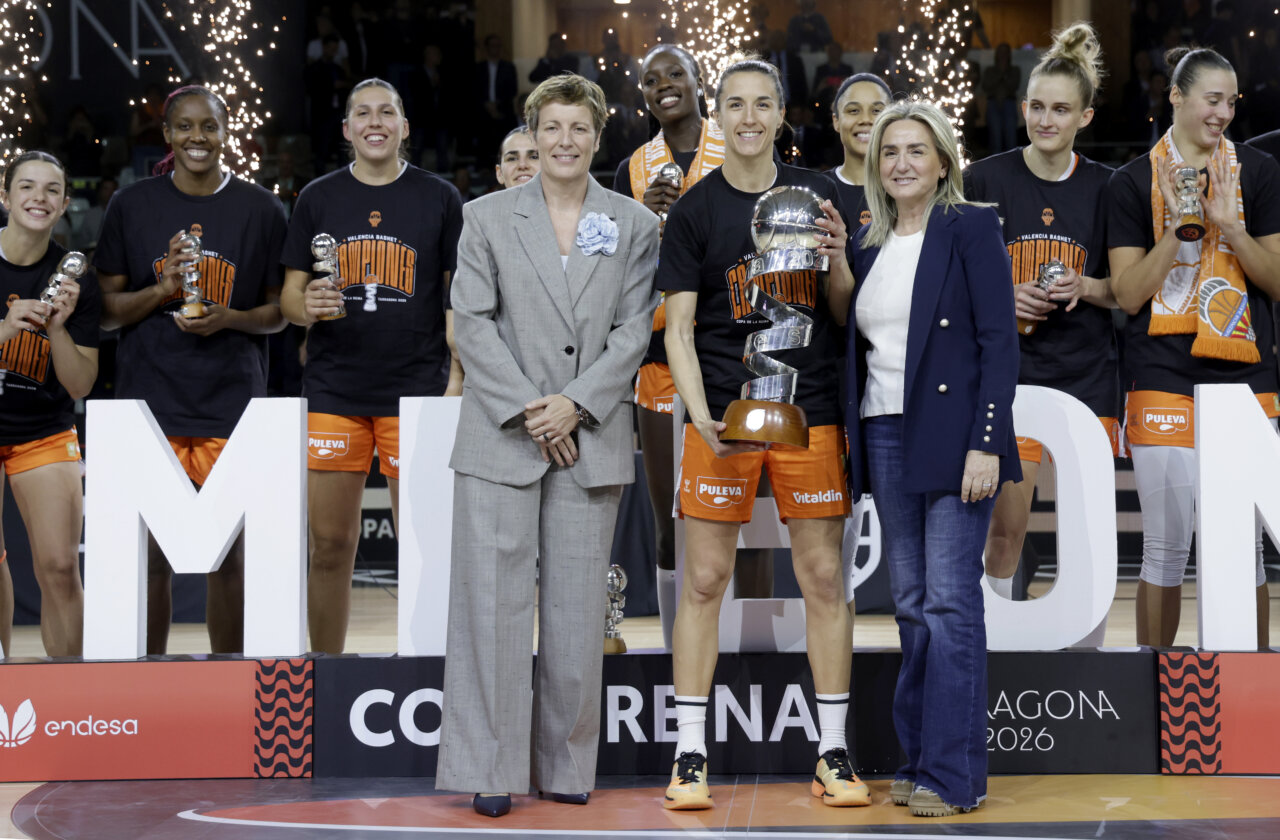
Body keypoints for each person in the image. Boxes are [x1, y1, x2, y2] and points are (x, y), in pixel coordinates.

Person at [434, 73, 659, 818]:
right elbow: (473, 322)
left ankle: (566, 763)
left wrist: (577, 404)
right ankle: (489, 767)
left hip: (587, 438)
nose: (564, 142)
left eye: (578, 128)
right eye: (551, 128)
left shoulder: (632, 224)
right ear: (532, 135)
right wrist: (536, 411)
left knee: (572, 613)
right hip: (506, 437)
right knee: (491, 610)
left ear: (599, 136)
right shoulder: (487, 217)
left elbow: (633, 332)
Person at [659, 57, 863, 812]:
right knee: (704, 580)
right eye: (735, 105)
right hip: (722, 417)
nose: (749, 117)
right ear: (718, 116)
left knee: (822, 580)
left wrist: (840, 261)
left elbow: (843, 314)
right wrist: (699, 412)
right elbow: (678, 330)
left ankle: (833, 751)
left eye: (763, 104)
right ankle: (688, 757)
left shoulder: (821, 197)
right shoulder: (694, 211)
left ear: (782, 115)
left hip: (810, 413)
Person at [843, 99, 1019, 817]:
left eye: (917, 150)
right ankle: (918, 763)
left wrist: (986, 441)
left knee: (949, 602)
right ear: (875, 166)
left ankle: (953, 775)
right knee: (911, 606)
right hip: (884, 431)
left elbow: (999, 343)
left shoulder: (971, 226)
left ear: (942, 161)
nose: (902, 163)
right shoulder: (866, 242)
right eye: (890, 152)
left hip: (954, 436)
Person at [95, 86, 288, 655]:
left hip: (231, 403)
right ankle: (148, 678)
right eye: (184, 127)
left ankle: (229, 677)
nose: (197, 138)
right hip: (148, 402)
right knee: (150, 556)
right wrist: (162, 290)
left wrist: (229, 317)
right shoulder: (131, 206)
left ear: (226, 133)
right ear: (167, 135)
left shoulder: (261, 208)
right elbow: (104, 314)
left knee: (228, 556)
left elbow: (281, 314)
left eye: (208, 127)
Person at [280, 78, 464, 654]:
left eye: (388, 111)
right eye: (363, 113)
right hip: (337, 392)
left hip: (419, 392)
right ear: (347, 130)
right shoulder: (317, 198)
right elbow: (289, 298)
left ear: (405, 127)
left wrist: (456, 383)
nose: (375, 121)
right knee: (330, 545)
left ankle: (426, 663)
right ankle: (327, 668)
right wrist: (305, 305)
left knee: (425, 546)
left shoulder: (439, 198)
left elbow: (460, 302)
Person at [1108, 46, 1280, 649]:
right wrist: (1176, 229)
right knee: (1165, 545)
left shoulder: (1259, 173)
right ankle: (1155, 686)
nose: (1224, 112)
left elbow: (1278, 279)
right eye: (1213, 99)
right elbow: (1128, 294)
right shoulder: (1129, 182)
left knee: (1246, 545)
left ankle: (1250, 686)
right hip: (1163, 370)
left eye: (1232, 101)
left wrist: (1230, 224)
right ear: (1177, 97)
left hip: (1247, 374)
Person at [964, 23, 1117, 602]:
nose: (1045, 119)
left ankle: (1090, 661)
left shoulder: (1108, 187)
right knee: (1005, 531)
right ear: (1021, 108)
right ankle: (998, 659)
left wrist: (1087, 284)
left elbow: (1124, 290)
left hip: (1086, 376)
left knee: (1087, 533)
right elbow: (954, 287)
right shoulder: (984, 178)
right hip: (1012, 376)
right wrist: (1005, 296)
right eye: (1036, 106)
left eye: (1060, 109)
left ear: (1085, 118)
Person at [611, 43, 743, 650]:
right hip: (661, 360)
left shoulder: (737, 145)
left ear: (698, 82)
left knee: (741, 520)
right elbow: (612, 270)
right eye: (650, 79)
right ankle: (674, 649)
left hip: (730, 357)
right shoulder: (633, 168)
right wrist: (643, 215)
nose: (663, 85)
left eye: (675, 75)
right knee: (670, 521)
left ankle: (746, 650)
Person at [0, 151, 100, 658]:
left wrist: (58, 328)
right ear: (5, 196)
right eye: (26, 187)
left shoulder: (76, 278)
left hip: (42, 430)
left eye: (51, 190)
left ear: (63, 204)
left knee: (60, 566)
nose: (38, 198)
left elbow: (80, 384)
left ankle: (71, 698)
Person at [829, 73, 892, 227]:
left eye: (877, 111)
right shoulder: (819, 189)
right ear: (836, 121)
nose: (866, 119)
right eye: (854, 111)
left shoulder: (907, 188)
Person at [982, 43, 1021, 155]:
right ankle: (995, 165)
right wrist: (1001, 74)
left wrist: (1002, 76)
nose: (1003, 55)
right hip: (993, 103)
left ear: (1009, 54)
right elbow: (986, 86)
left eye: (1005, 52)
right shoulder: (990, 70)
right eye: (1000, 52)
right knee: (995, 137)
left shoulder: (1015, 70)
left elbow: (1014, 85)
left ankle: (1012, 162)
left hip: (1009, 103)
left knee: (1011, 137)